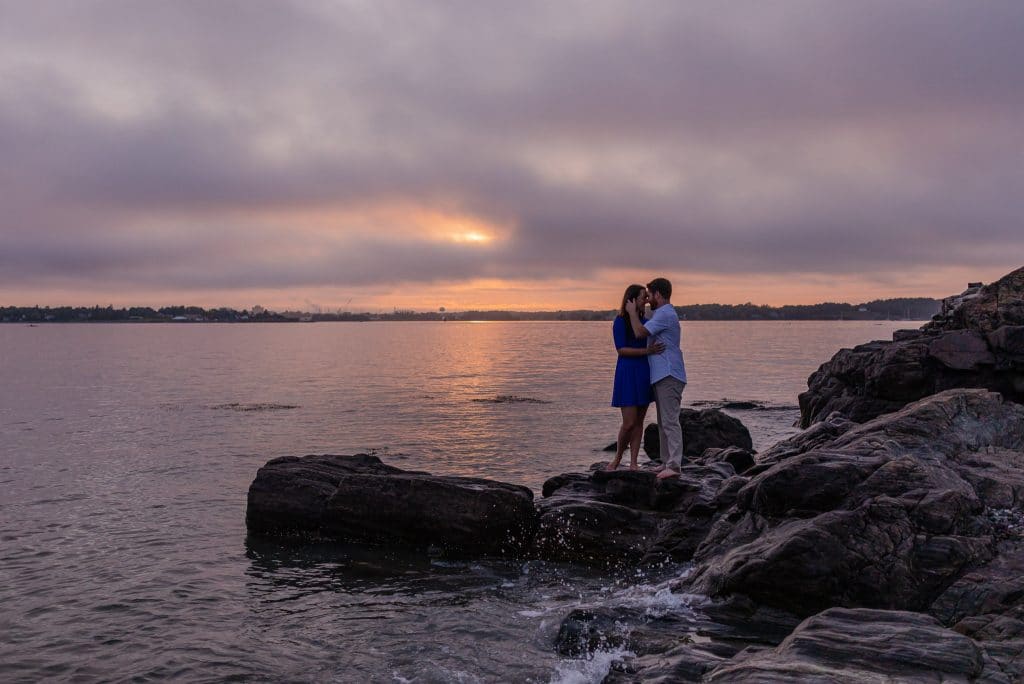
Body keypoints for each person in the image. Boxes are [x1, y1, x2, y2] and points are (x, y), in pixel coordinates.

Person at [625, 277, 687, 479]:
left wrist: (632, 313)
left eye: (650, 295)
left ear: (658, 294)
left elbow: (639, 332)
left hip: (669, 374)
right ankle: (666, 461)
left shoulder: (665, 313)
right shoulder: (662, 313)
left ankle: (674, 465)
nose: (648, 299)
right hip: (663, 375)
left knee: (670, 421)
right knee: (663, 421)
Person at [608, 285, 664, 470]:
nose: (645, 300)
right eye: (642, 297)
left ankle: (633, 462)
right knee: (629, 422)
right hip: (627, 371)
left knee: (639, 421)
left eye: (646, 297)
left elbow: (651, 337)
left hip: (643, 371)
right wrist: (646, 351)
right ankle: (617, 458)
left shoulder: (645, 322)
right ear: (631, 300)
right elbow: (621, 349)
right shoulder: (619, 321)